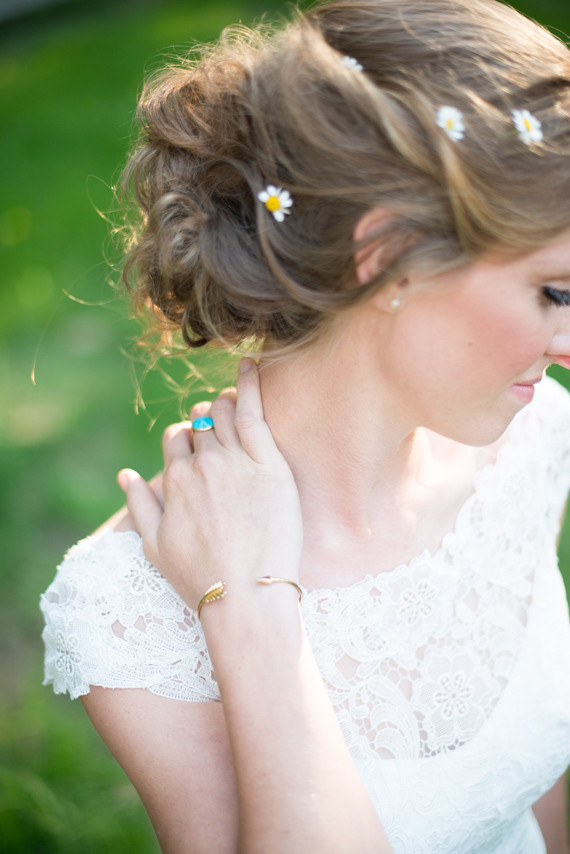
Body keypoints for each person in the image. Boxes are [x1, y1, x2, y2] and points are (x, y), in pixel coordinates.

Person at [40, 0, 570, 850]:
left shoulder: (534, 435)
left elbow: (541, 797)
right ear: (388, 256)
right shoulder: (129, 615)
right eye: (555, 292)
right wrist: (247, 611)